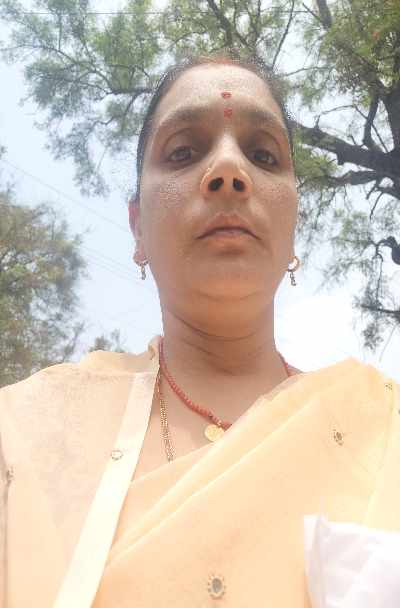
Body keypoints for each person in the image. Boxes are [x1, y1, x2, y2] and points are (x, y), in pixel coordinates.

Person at [0, 51, 399, 608]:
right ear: (137, 228)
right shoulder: (23, 433)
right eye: (184, 151)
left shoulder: (383, 428)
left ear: (295, 225)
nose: (229, 171)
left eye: (263, 155)